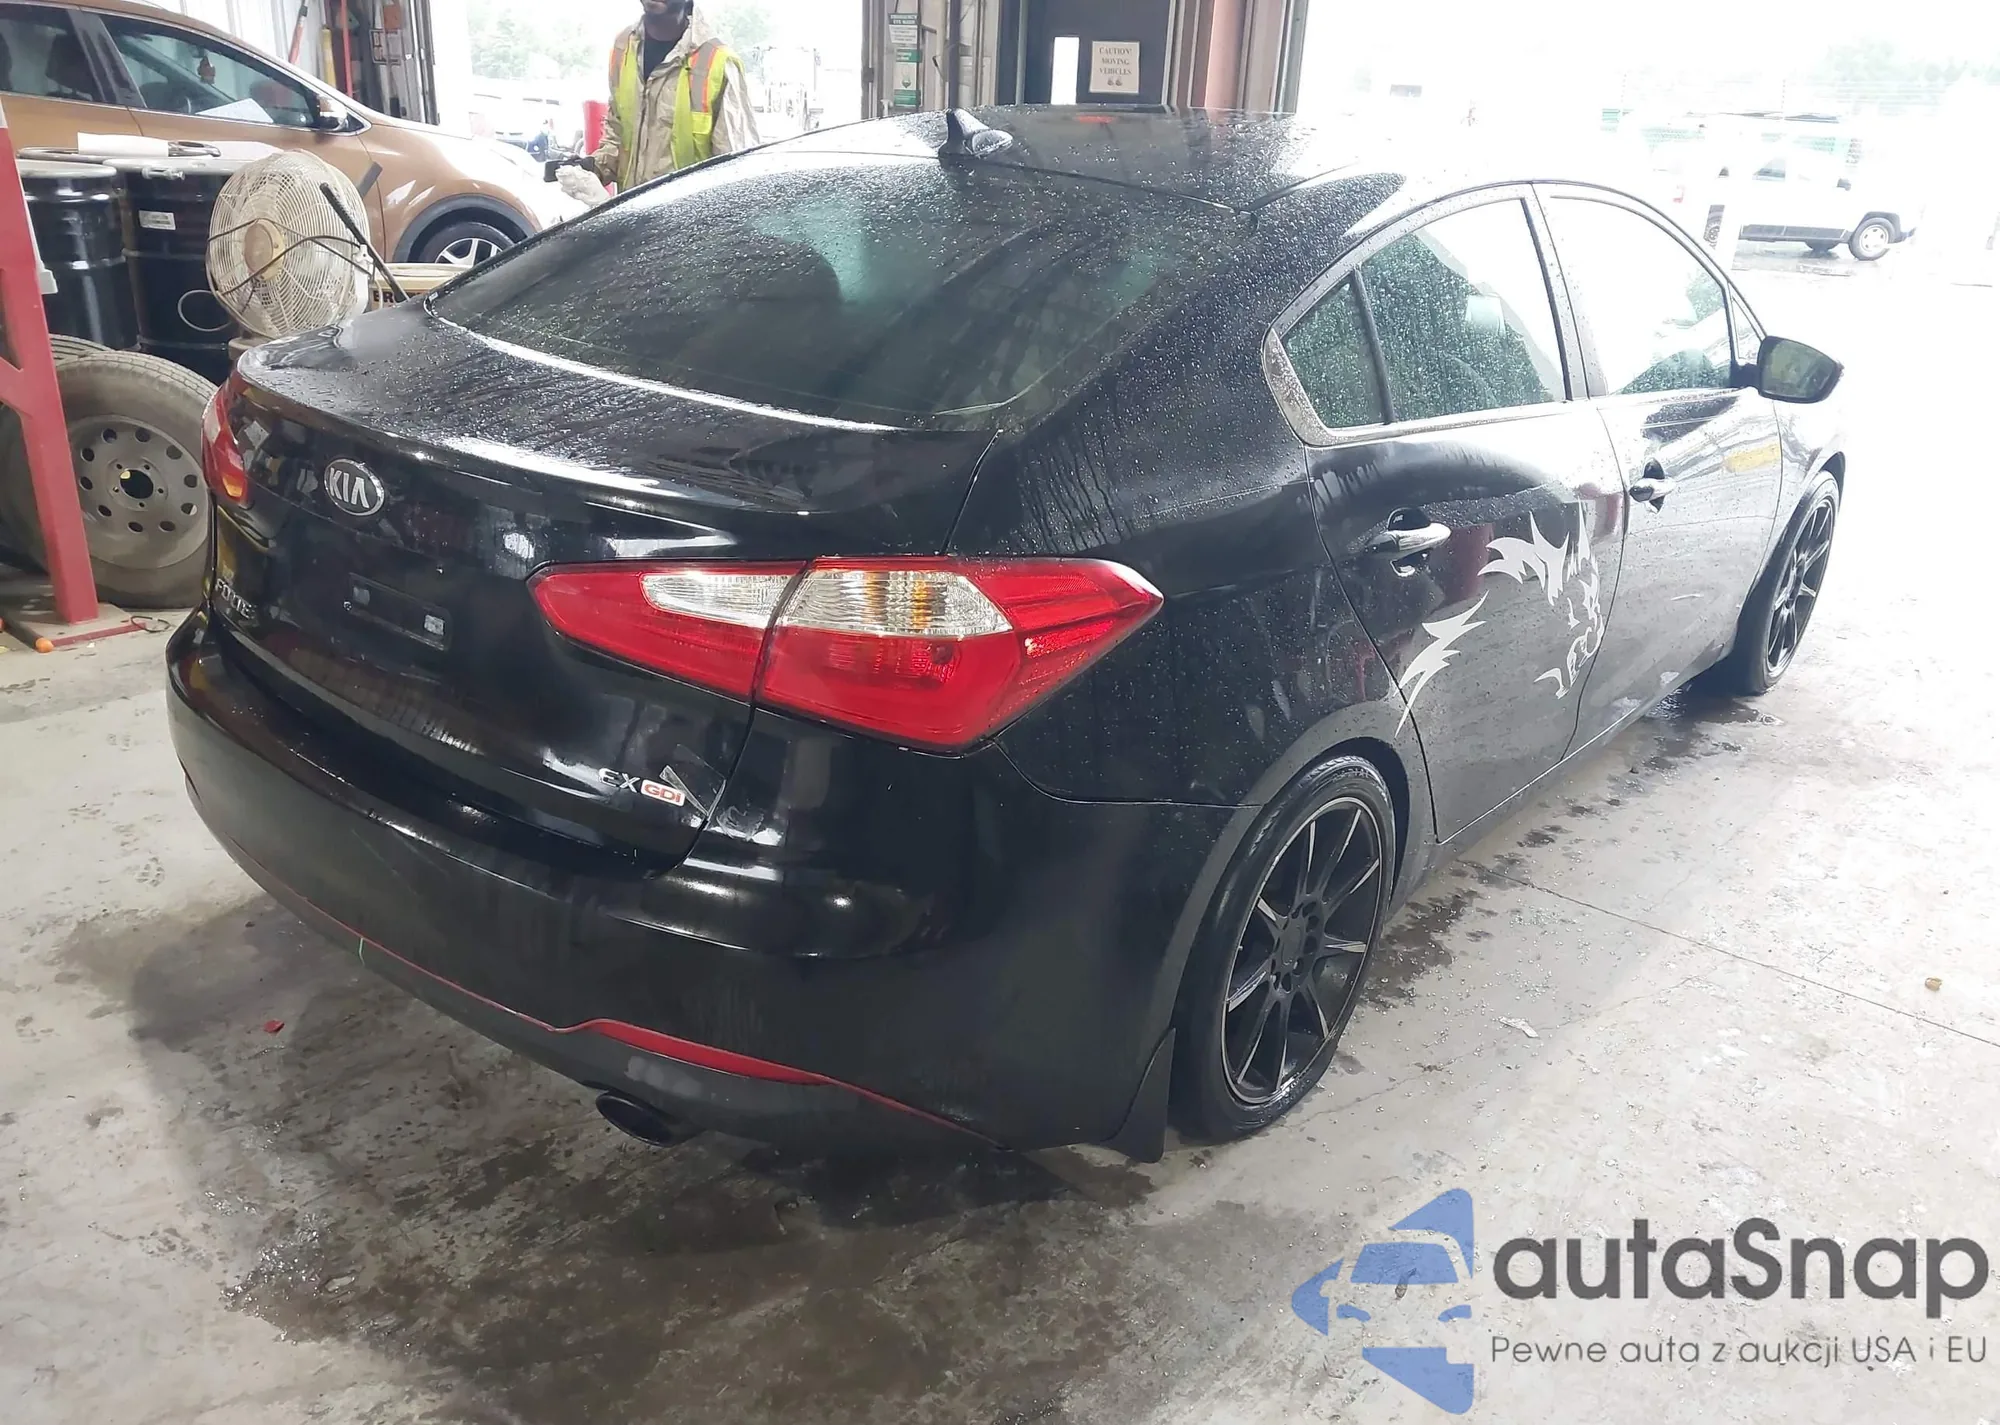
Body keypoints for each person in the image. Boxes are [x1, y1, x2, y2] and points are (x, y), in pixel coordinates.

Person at [592, 0, 758, 190]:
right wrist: (592, 168)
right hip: (632, 208)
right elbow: (618, 137)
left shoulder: (719, 62)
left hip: (689, 209)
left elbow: (736, 175)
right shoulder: (624, 47)